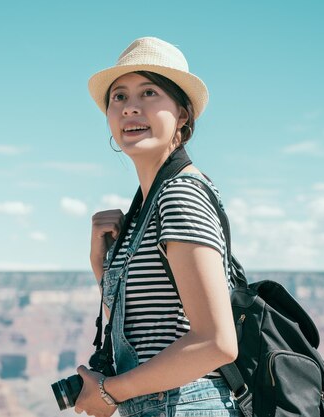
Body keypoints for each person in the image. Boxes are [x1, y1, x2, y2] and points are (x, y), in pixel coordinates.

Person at [75, 37, 241, 417]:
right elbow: (150, 327)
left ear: (182, 114)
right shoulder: (145, 208)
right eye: (118, 97)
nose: (130, 107)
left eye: (149, 92)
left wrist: (110, 392)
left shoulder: (179, 194)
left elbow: (216, 343)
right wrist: (101, 265)